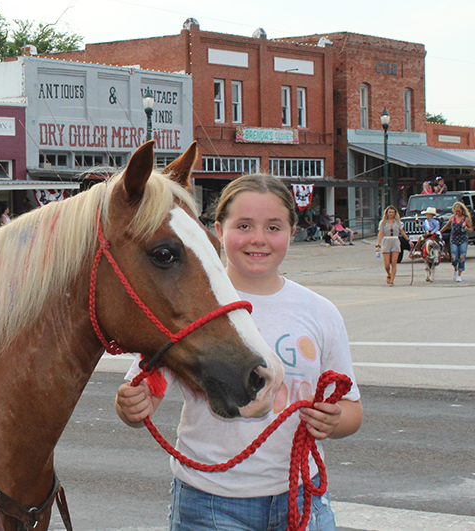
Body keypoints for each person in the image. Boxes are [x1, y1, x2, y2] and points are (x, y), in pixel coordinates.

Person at [114, 173, 363, 531]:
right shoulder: (189, 305)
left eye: (274, 227)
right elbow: (145, 395)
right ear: (218, 230)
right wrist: (132, 406)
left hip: (301, 494)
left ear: (292, 231)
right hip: (211, 502)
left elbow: (352, 408)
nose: (258, 239)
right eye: (244, 225)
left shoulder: (320, 312)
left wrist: (335, 420)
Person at [445, 202, 473, 283]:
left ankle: (459, 274)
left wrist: (467, 229)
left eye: (459, 211)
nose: (457, 212)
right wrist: (439, 232)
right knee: (454, 256)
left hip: (463, 239)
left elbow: (471, 228)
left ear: (462, 210)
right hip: (454, 239)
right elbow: (447, 225)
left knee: (462, 256)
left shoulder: (466, 218)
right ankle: (455, 268)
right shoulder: (453, 217)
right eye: (456, 211)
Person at [376, 206, 403, 286]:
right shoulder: (383, 222)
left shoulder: (398, 222)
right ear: (387, 213)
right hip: (386, 241)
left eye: (393, 212)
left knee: (394, 262)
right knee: (387, 264)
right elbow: (380, 233)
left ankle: (392, 281)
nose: (391, 214)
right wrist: (378, 244)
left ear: (395, 214)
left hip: (395, 241)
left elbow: (402, 231)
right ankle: (388, 273)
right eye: (390, 212)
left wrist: (409, 240)